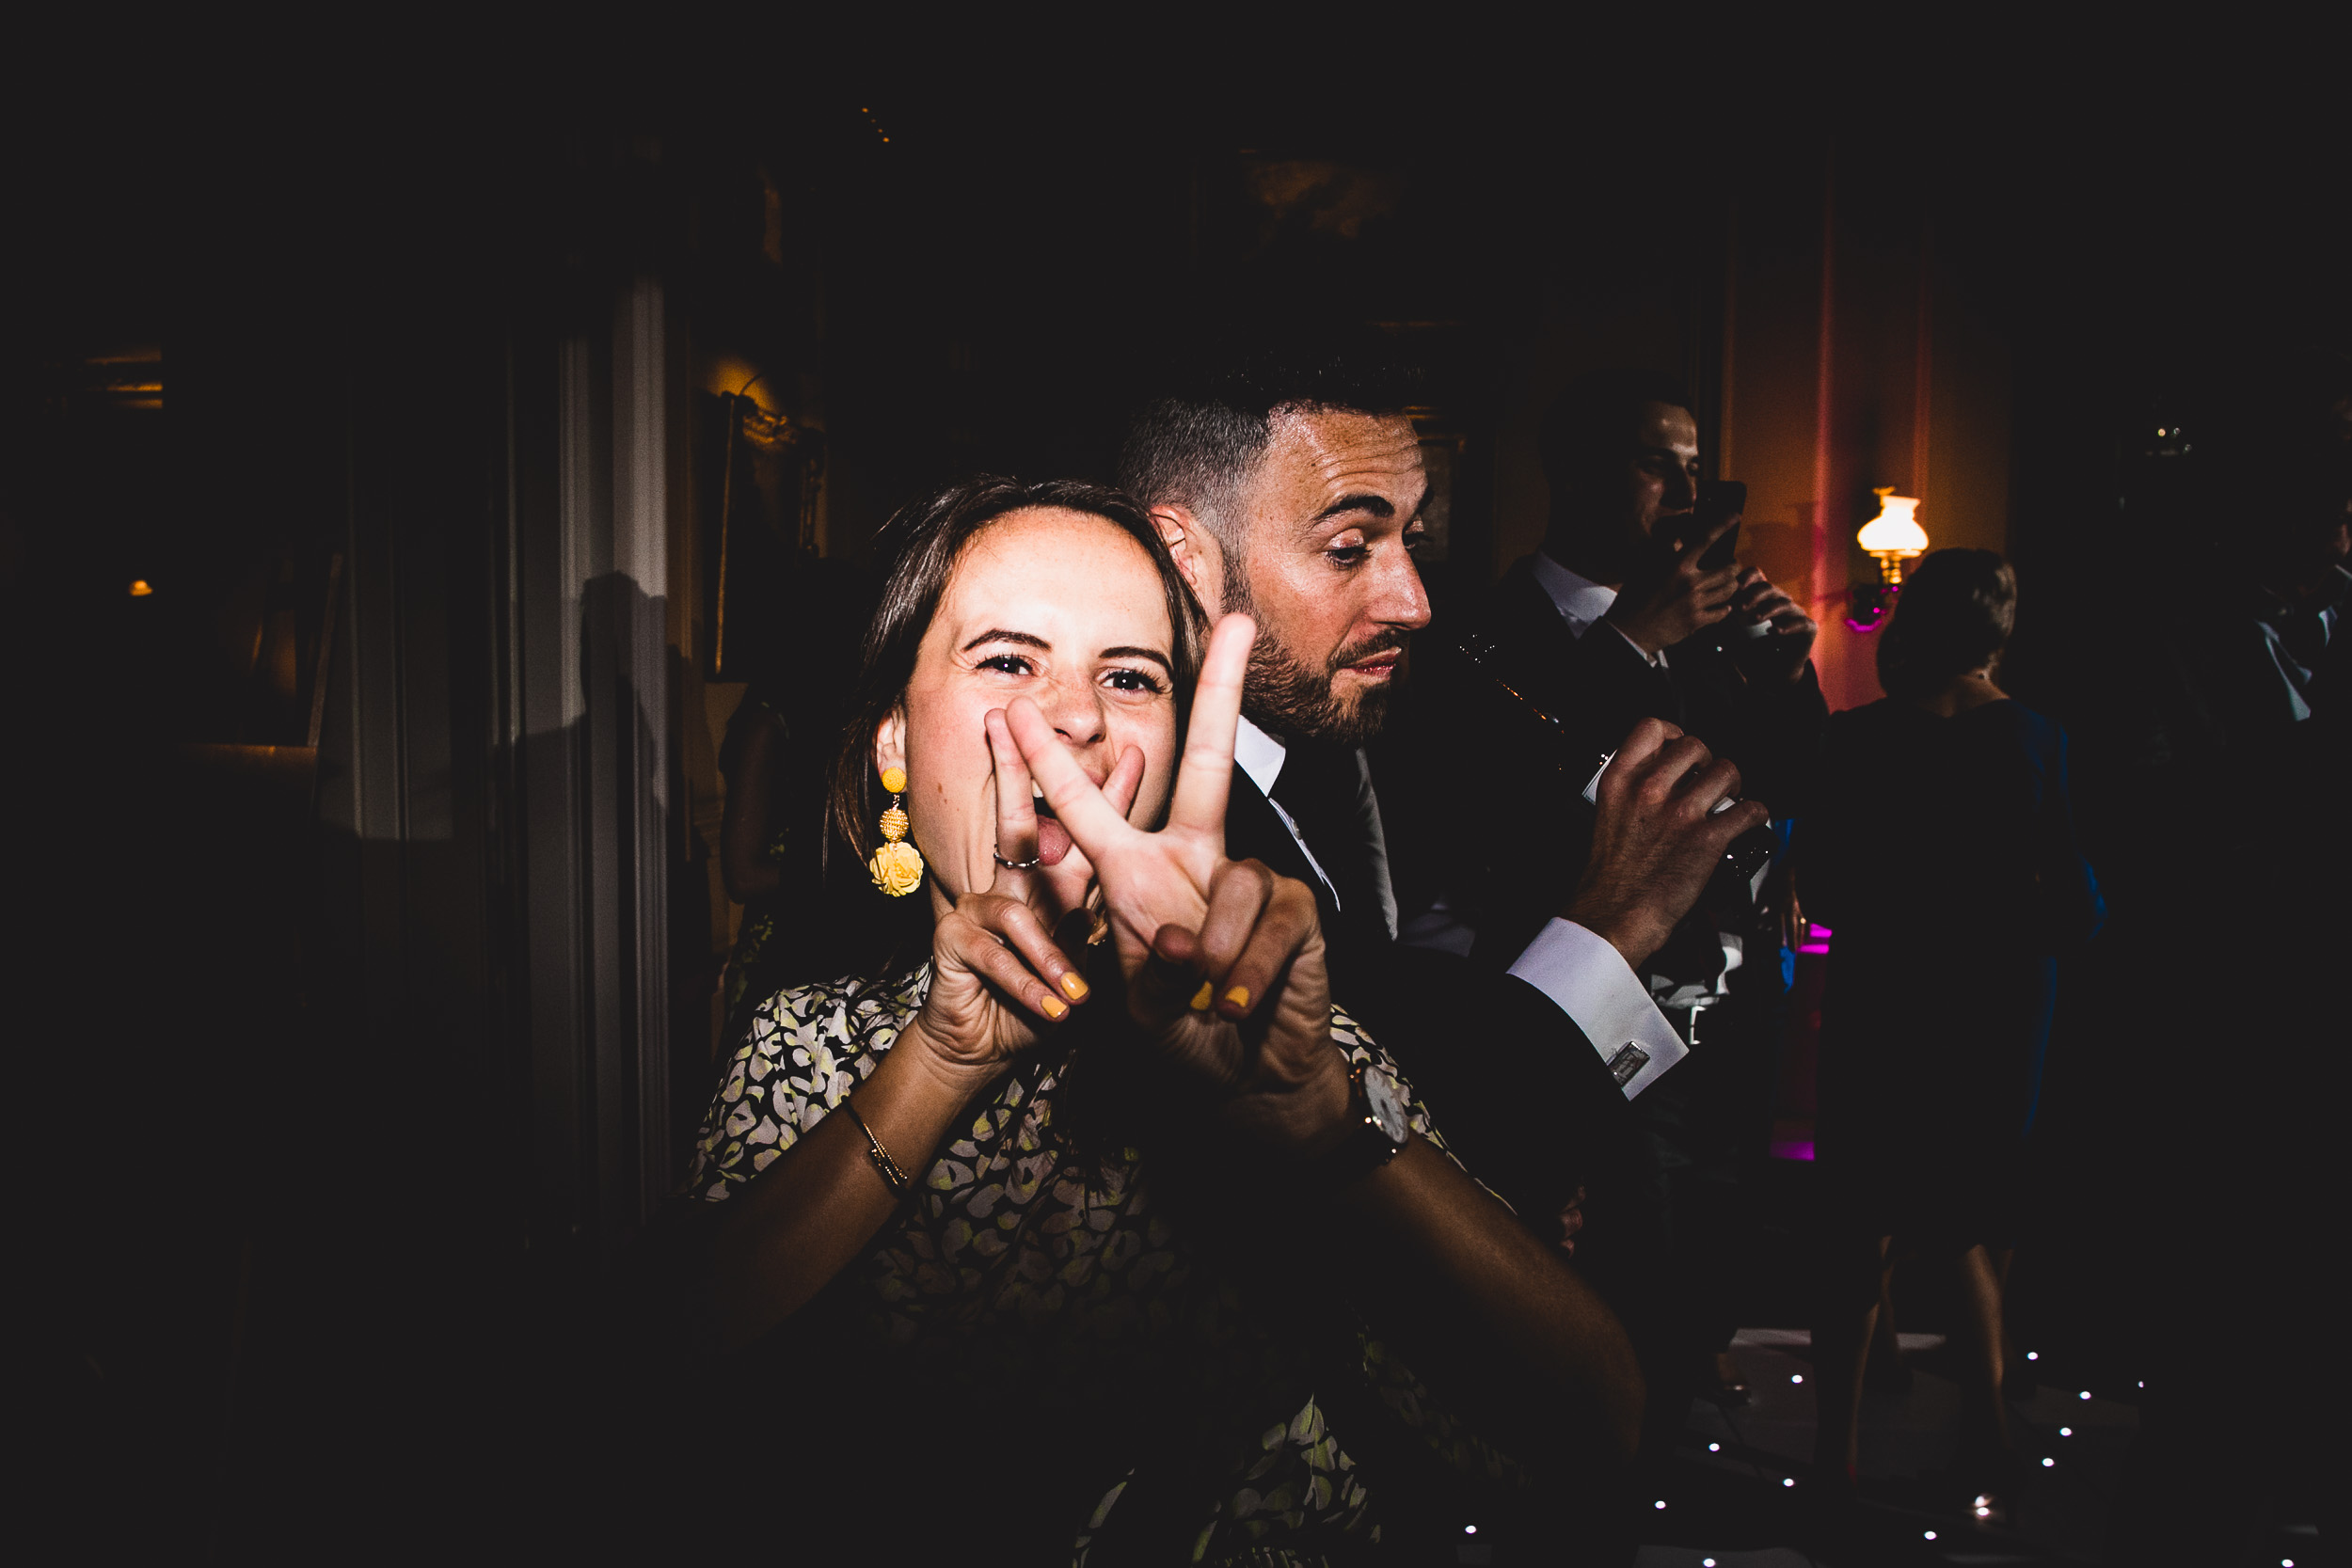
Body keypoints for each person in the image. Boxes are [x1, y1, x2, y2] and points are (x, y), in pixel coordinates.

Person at [685, 477, 1653, 1563]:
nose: (1078, 715)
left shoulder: (1269, 1028)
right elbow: (661, 1392)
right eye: (1008, 659)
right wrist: (940, 1061)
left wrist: (1318, 1121)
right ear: (895, 743)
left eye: (1129, 675)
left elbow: (1596, 1419)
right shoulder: (802, 1038)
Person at [1117, 345, 1766, 1271]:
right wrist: (1615, 920)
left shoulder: (1325, 755)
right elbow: (1329, 1154)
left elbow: (1400, 1019)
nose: (1415, 603)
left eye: (1409, 543)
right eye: (1348, 548)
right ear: (1186, 557)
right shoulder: (1147, 825)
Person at [1795, 549, 2105, 1517]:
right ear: (2002, 630)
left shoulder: (1854, 740)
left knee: (1857, 1206)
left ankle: (1831, 1455)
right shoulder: (2037, 739)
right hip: (1999, 1003)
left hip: (1885, 995)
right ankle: (1984, 1430)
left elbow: (1828, 889)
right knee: (1973, 1207)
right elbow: (2082, 909)